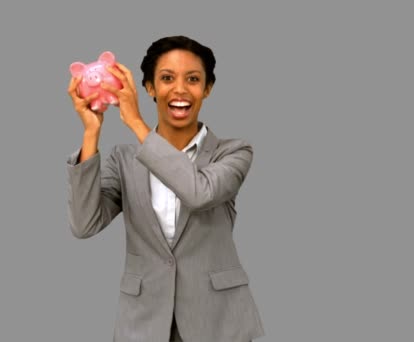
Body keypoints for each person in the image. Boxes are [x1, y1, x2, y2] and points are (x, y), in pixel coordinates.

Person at [66, 35, 265, 342]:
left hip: (217, 322)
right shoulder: (123, 159)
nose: (180, 89)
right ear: (150, 88)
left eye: (194, 79)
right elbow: (84, 223)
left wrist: (135, 122)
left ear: (207, 89)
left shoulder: (234, 152)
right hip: (143, 323)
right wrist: (91, 133)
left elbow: (199, 193)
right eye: (167, 78)